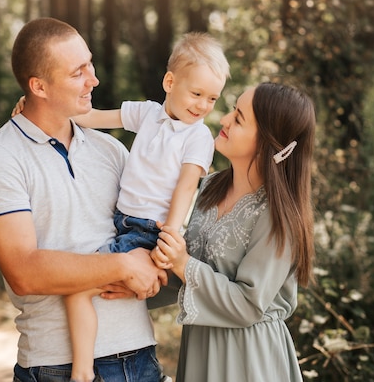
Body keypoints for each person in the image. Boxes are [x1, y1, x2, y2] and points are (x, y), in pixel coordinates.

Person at [13, 32, 230, 382]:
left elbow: (186, 188)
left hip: (149, 230)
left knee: (77, 288)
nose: (203, 105)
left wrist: (168, 239)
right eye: (196, 93)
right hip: (123, 223)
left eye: (212, 98)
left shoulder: (198, 136)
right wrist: (33, 115)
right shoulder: (146, 114)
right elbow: (91, 117)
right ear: (170, 82)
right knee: (94, 285)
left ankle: (82, 371)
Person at [0, 17, 167, 382]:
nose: (94, 80)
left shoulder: (112, 150)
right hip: (56, 367)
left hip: (140, 357)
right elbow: (23, 271)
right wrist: (124, 266)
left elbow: (147, 230)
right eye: (77, 72)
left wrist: (150, 262)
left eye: (89, 64)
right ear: (38, 86)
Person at [149, 81, 316, 381]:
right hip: (200, 348)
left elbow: (248, 303)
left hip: (250, 358)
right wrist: (131, 283)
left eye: (238, 118)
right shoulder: (211, 186)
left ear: (267, 142)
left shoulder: (279, 217)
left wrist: (182, 262)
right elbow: (187, 276)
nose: (224, 119)